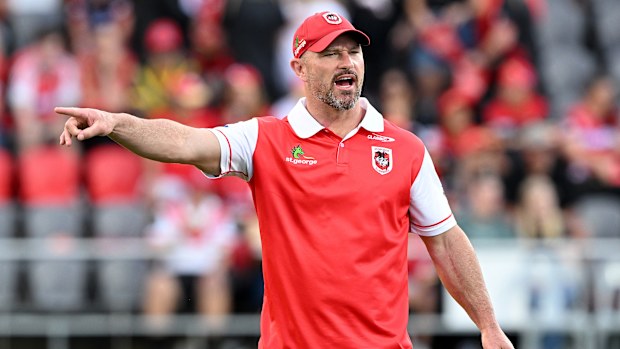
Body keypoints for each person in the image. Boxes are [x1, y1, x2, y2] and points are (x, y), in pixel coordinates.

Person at [56, 11, 514, 349]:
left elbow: (446, 242)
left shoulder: (408, 150)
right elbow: (183, 142)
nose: (347, 62)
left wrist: (488, 324)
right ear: (298, 67)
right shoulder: (264, 139)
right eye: (330, 53)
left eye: (352, 51)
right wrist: (117, 123)